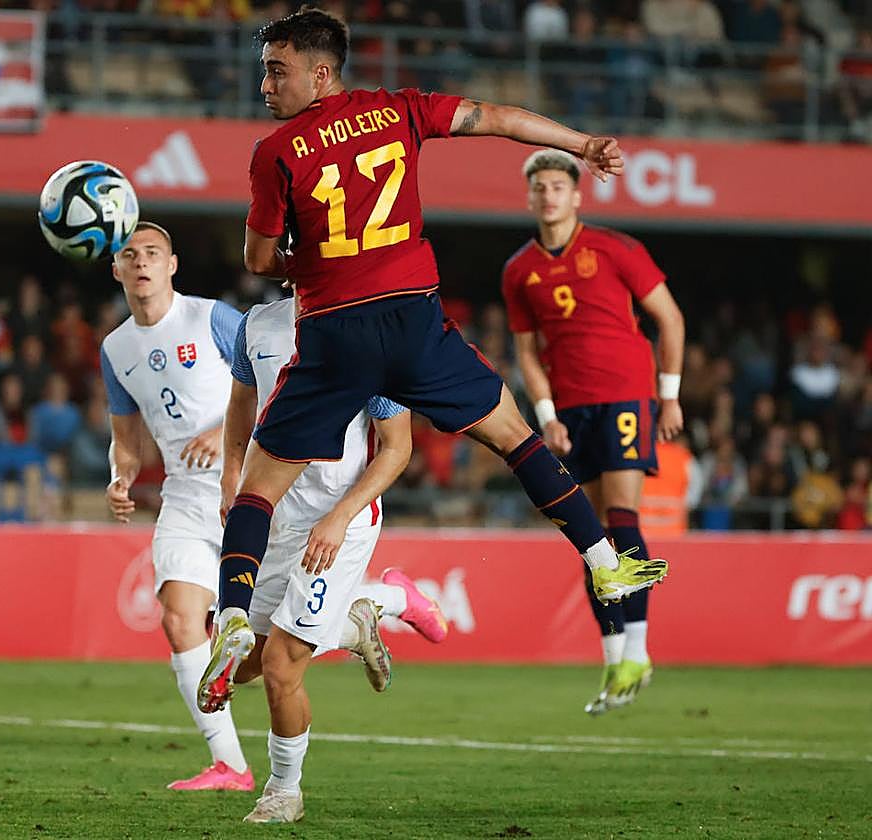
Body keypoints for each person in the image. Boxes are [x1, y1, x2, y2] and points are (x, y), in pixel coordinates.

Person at [199, 5, 667, 730]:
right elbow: (501, 118)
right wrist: (583, 143)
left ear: (320, 73)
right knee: (516, 435)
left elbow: (259, 261)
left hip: (333, 329)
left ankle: (232, 615)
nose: (265, 84)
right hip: (415, 320)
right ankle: (604, 557)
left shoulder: (275, 152)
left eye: (276, 69)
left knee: (258, 484)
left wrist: (314, 257)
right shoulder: (400, 110)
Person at [222, 293, 449, 823]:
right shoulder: (256, 325)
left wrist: (341, 517)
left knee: (281, 665)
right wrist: (232, 479)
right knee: (248, 664)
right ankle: (372, 610)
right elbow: (240, 408)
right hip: (271, 519)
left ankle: (284, 792)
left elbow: (396, 447)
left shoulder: (368, 331)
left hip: (339, 523)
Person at [501, 149, 685, 715]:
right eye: (541, 188)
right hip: (572, 410)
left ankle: (639, 650)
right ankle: (614, 663)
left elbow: (670, 318)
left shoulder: (614, 248)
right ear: (530, 196)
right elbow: (527, 353)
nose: (549, 196)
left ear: (577, 195)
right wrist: (547, 413)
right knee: (593, 540)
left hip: (626, 393)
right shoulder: (518, 271)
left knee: (623, 516)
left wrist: (670, 395)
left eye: (559, 186)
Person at [100, 221, 253, 792]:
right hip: (186, 496)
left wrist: (223, 429)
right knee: (179, 619)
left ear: (172, 265)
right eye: (130, 254)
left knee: (281, 638)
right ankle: (231, 765)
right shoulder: (115, 347)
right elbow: (126, 436)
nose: (141, 262)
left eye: (152, 253)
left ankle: (387, 598)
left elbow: (279, 378)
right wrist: (121, 476)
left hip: (250, 481)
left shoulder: (210, 317)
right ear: (116, 269)